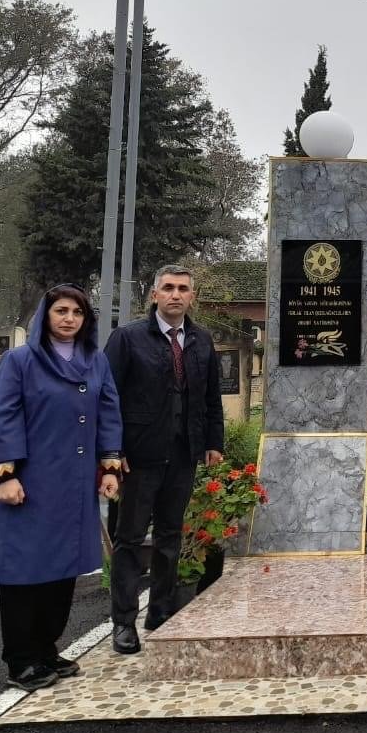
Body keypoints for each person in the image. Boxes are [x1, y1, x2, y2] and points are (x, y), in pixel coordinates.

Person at [0, 284, 122, 691]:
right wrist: (5, 477)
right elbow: (3, 415)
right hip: (30, 482)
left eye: (77, 313)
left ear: (86, 319)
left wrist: (109, 466)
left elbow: (109, 411)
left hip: (74, 483)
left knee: (62, 569)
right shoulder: (21, 360)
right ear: (46, 315)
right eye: (61, 310)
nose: (68, 319)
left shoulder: (95, 362)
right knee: (26, 571)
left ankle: (46, 649)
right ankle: (20, 659)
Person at [105, 265, 224, 656]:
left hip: (183, 453)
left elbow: (210, 399)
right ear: (154, 294)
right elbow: (109, 398)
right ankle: (123, 622)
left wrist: (212, 442)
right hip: (138, 456)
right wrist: (112, 450)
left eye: (183, 289)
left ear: (192, 297)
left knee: (171, 535)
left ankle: (159, 612)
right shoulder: (127, 339)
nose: (176, 295)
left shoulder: (202, 341)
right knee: (130, 539)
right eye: (168, 288)